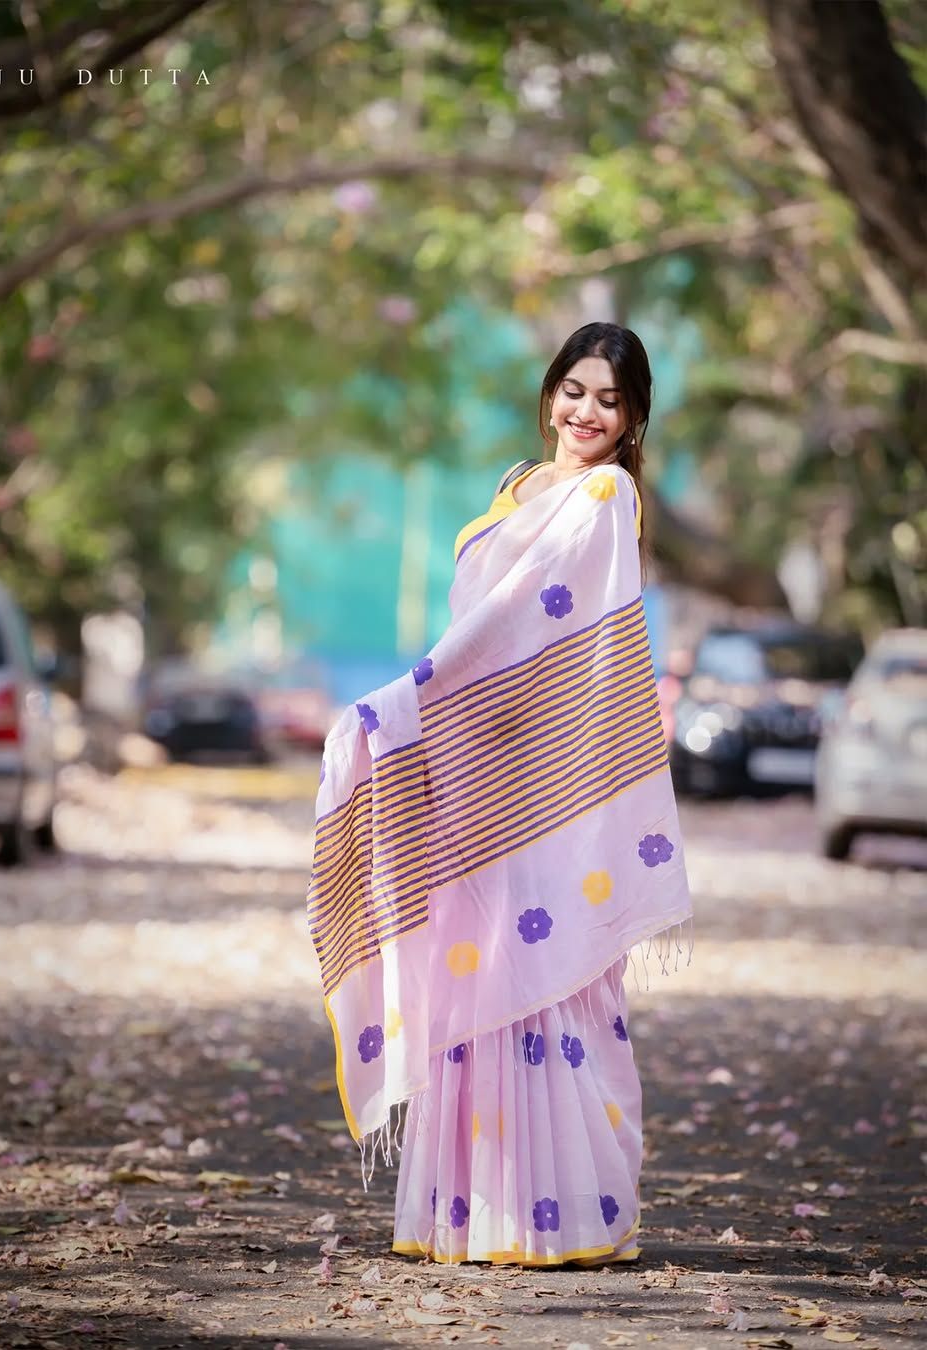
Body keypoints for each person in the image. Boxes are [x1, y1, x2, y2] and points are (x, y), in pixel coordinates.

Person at [307, 322, 693, 1267]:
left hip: (551, 789)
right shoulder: (516, 488)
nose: (586, 412)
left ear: (634, 415)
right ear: (550, 391)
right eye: (573, 389)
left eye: (609, 398)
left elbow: (521, 634)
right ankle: (472, 1211)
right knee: (475, 980)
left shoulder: (606, 500)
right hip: (471, 776)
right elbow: (477, 626)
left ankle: (564, 1212)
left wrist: (404, 699)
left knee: (550, 978)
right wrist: (421, 724)